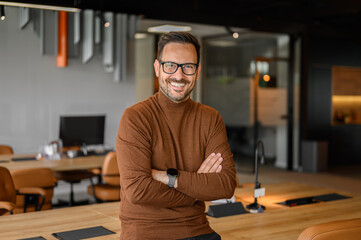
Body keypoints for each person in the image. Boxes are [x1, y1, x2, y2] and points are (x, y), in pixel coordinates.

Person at [116, 31, 237, 240]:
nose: (179, 76)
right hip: (145, 233)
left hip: (198, 230)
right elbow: (137, 190)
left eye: (188, 67)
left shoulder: (210, 118)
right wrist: (197, 187)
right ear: (157, 68)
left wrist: (167, 177)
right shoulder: (135, 118)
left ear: (197, 72)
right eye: (170, 65)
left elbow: (226, 185)